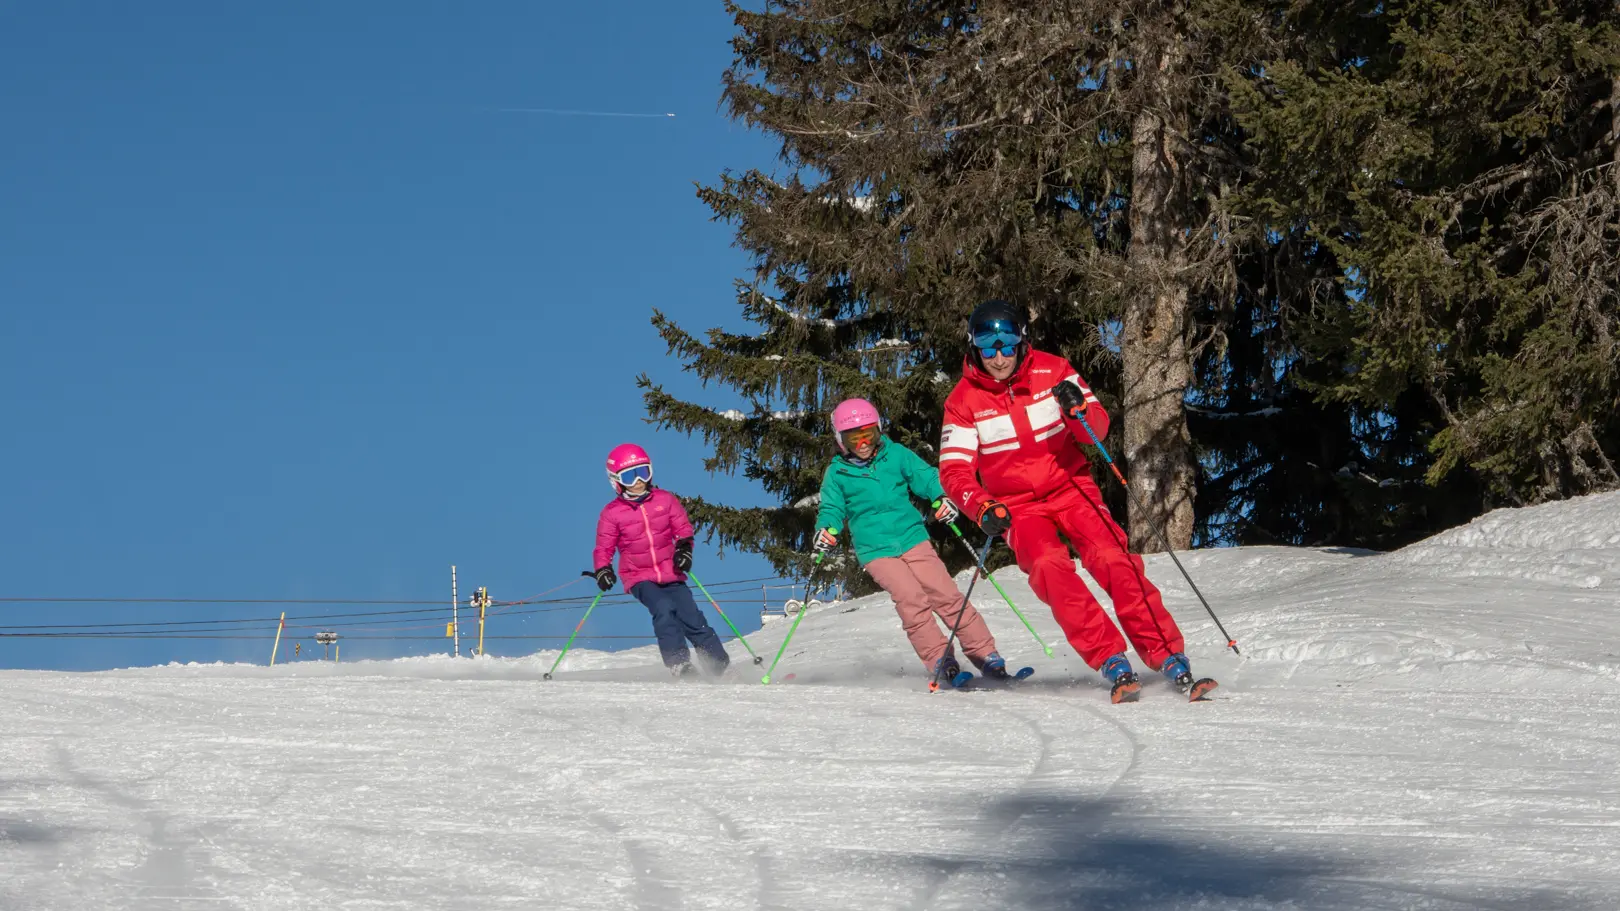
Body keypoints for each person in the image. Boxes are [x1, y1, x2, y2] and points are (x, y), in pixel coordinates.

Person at [938, 299, 1212, 703]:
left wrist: (1077, 410)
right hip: (1016, 507)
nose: (999, 357)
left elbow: (1095, 432)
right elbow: (954, 471)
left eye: (1007, 345)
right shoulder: (963, 402)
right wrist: (982, 507)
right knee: (1050, 566)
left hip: (1071, 487)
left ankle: (1168, 653)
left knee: (1112, 557)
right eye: (988, 347)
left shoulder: (1054, 371)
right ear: (974, 346)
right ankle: (1110, 659)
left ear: (1021, 342)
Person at [813, 397, 1015, 684]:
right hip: (876, 550)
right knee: (911, 599)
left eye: (868, 435)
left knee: (946, 595)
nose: (863, 444)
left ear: (878, 430)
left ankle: (985, 654)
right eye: (853, 438)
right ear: (840, 439)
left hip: (912, 537)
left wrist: (941, 497)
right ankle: (939, 658)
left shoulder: (896, 455)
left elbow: (927, 478)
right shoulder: (837, 473)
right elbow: (831, 508)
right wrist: (827, 529)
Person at [591, 443, 731, 678]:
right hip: (638, 576)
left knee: (692, 617)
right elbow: (603, 547)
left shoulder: (665, 500)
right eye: (629, 476)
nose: (637, 481)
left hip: (671, 571)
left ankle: (718, 666)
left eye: (642, 472)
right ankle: (679, 664)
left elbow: (683, 530)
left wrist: (684, 550)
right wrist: (603, 569)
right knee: (664, 609)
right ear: (615, 480)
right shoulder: (612, 513)